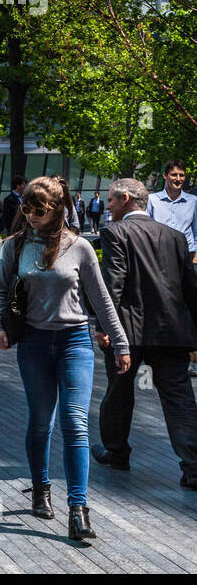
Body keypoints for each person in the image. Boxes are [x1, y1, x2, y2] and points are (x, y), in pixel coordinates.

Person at [0, 176, 130, 541]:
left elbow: (101, 300)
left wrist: (121, 343)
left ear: (57, 209)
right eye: (27, 209)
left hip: (74, 343)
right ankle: (40, 488)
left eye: (40, 211)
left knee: (75, 423)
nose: (32, 216)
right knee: (40, 423)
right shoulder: (16, 247)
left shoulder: (80, 246)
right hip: (33, 344)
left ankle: (78, 510)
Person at [91, 178, 197, 489]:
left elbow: (114, 282)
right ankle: (193, 467)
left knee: (119, 392)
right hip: (171, 331)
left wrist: (103, 327)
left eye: (111, 200)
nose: (108, 206)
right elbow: (190, 286)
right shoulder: (176, 237)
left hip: (127, 332)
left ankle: (117, 452)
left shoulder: (114, 232)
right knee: (179, 399)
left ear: (125, 198)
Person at [148, 160, 197, 262]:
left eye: (181, 175)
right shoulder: (152, 200)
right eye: (174, 175)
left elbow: (196, 231)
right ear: (165, 176)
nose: (178, 179)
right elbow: (146, 231)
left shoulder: (193, 201)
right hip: (160, 256)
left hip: (187, 256)